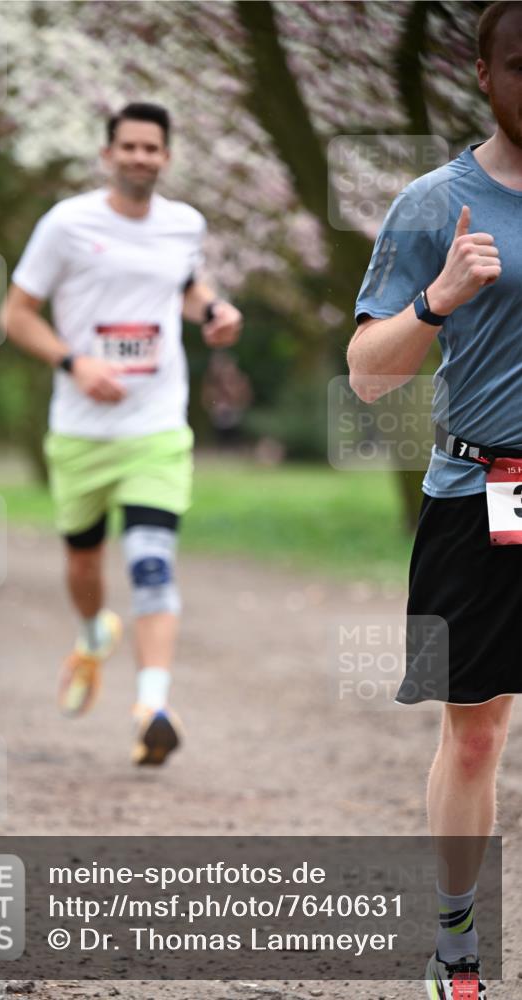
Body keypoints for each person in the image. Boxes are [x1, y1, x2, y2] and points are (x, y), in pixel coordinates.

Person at [348, 3, 521, 997]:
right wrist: (438, 300)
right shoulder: (431, 203)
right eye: (520, 63)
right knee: (474, 730)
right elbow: (368, 375)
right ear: (482, 74)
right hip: (477, 494)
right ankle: (454, 944)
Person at [0, 102, 242, 766]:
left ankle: (152, 706)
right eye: (128, 147)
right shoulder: (68, 224)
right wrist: (73, 363)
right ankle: (89, 635)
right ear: (107, 154)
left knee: (150, 559)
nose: (140, 157)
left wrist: (215, 312)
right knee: (83, 563)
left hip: (156, 424)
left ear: (166, 157)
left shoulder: (183, 224)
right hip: (79, 430)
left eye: (152, 148)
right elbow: (16, 314)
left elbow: (188, 287)